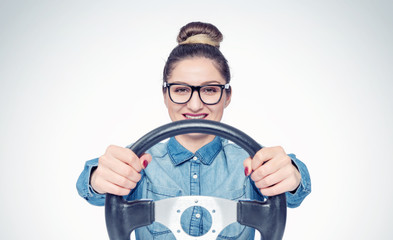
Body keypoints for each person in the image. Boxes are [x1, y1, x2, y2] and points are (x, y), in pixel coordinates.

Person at [76, 21, 311, 240]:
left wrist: (291, 174)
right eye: (181, 90)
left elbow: (295, 192)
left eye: (209, 90)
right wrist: (98, 177)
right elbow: (90, 189)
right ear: (165, 95)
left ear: (227, 96)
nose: (195, 105)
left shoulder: (251, 164)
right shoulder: (137, 163)